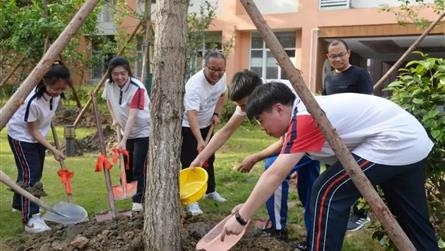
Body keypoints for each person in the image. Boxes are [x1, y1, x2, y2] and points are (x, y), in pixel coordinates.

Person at [221, 82, 439, 251]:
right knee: (413, 220)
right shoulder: (304, 112)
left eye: (261, 119)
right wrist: (247, 205)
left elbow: (275, 174)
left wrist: (242, 218)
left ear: (278, 109)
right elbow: (281, 165)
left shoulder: (305, 117)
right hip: (412, 141)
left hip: (392, 141)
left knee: (326, 192)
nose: (261, 127)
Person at [190, 70, 320, 245]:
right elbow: (226, 131)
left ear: (256, 92)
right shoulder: (254, 96)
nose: (243, 110)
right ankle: (313, 240)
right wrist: (199, 159)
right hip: (310, 143)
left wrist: (255, 157)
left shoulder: (282, 95)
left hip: (311, 138)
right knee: (312, 192)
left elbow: (287, 141)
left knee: (274, 169)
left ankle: (279, 230)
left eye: (244, 105)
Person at [7, 62, 70, 233]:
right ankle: (31, 218)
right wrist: (54, 149)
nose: (58, 92)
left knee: (28, 172)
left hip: (37, 136)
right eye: (55, 88)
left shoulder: (55, 96)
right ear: (44, 81)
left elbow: (47, 119)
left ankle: (18, 204)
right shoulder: (32, 101)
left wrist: (52, 143)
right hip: (21, 137)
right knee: (31, 175)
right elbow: (33, 131)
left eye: (62, 89)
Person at [324, 39, 373, 232]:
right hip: (335, 133)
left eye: (341, 54)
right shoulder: (328, 77)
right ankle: (342, 211)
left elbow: (367, 104)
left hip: (355, 132)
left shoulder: (360, 74)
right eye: (333, 56)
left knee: (356, 172)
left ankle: (361, 214)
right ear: (328, 57)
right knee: (334, 171)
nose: (337, 59)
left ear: (349, 53)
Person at [181, 51, 227, 215]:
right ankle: (191, 200)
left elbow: (222, 94)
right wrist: (199, 140)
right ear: (205, 66)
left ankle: (210, 190)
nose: (216, 73)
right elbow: (191, 114)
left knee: (209, 158)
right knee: (190, 161)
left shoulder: (222, 77)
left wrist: (216, 114)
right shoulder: (194, 86)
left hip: (208, 124)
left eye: (220, 70)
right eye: (212, 69)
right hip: (189, 126)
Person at [102, 56, 151, 212]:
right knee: (127, 168)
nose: (120, 77)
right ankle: (132, 191)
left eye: (123, 73)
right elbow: (108, 100)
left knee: (138, 165)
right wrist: (115, 118)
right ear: (111, 74)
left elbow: (133, 115)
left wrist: (123, 140)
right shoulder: (109, 85)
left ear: (128, 72)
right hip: (125, 131)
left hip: (143, 131)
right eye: (116, 74)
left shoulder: (138, 87)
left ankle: (139, 200)